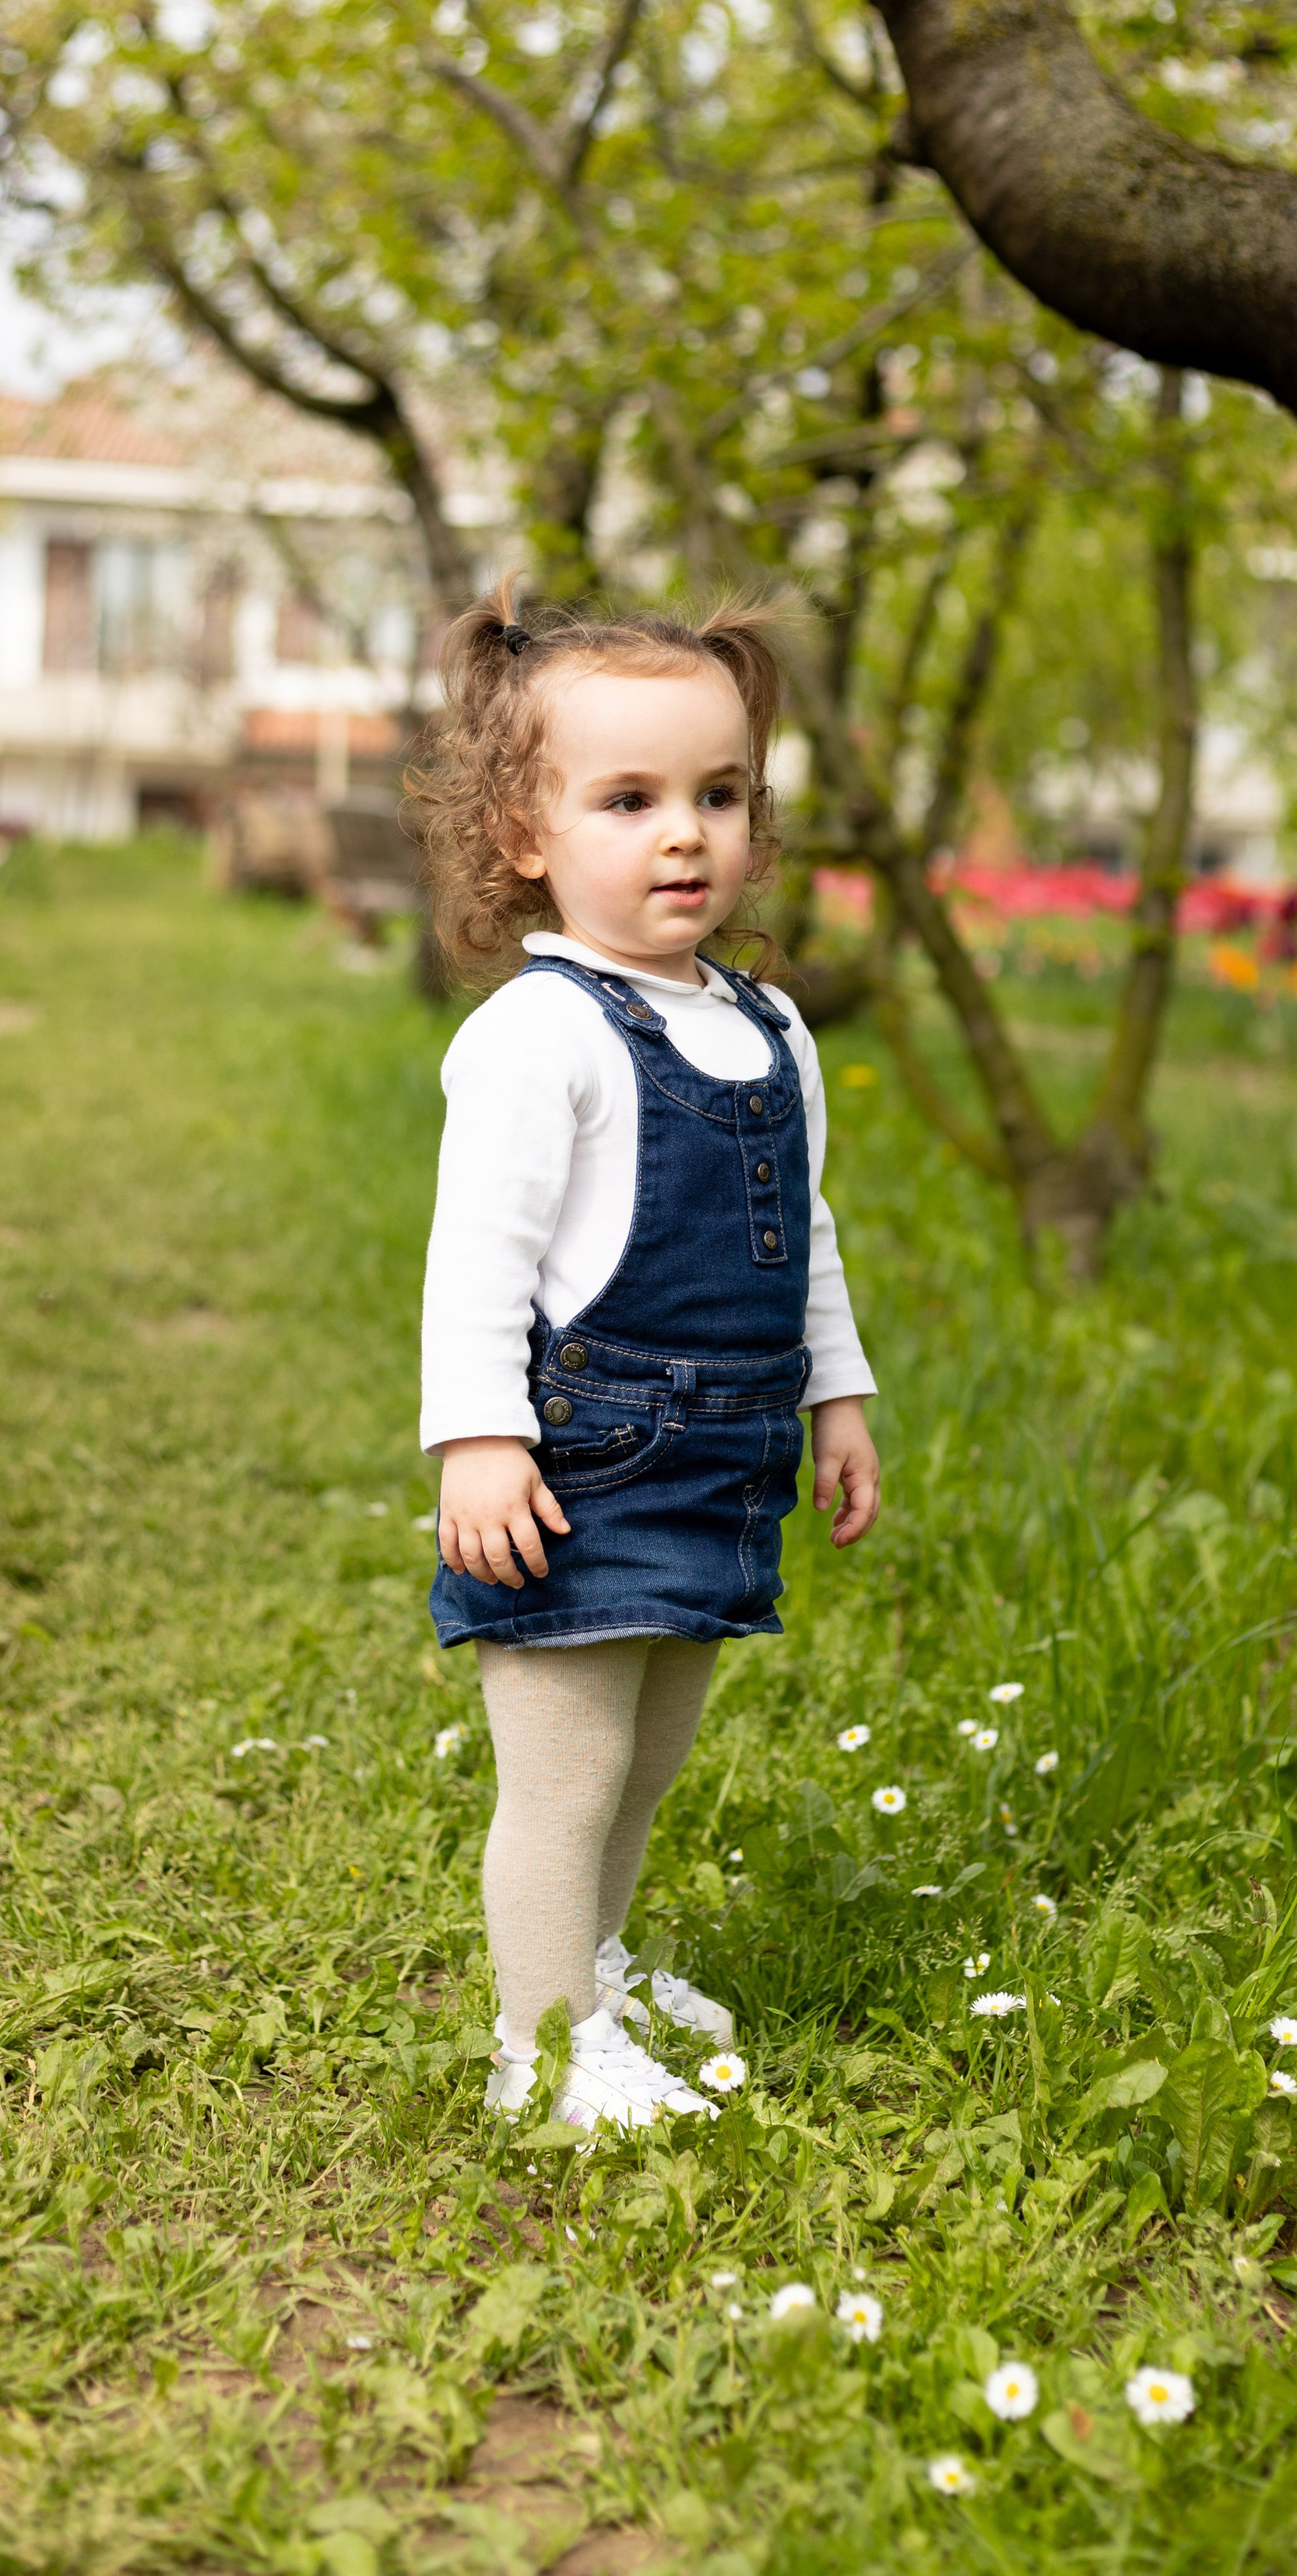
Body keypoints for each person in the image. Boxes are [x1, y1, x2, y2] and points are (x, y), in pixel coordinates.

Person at [413, 583, 880, 2129]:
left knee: (648, 1755)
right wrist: (477, 1438)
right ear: (522, 834)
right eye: (628, 800)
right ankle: (539, 2056)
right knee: (561, 1772)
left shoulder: (770, 1025)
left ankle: (590, 1966)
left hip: (723, 1456)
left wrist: (835, 1393)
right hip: (577, 1465)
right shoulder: (535, 1034)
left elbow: (795, 1228)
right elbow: (475, 1260)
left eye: (717, 793)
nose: (683, 833)